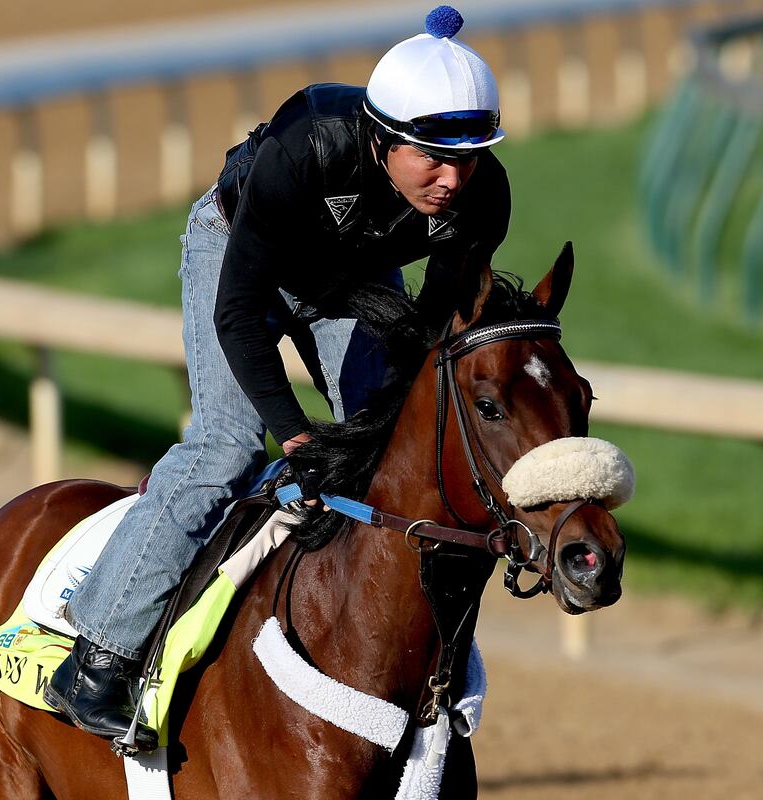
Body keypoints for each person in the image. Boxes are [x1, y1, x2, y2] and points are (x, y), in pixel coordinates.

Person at [44, 5, 511, 747]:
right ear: (383, 138)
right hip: (236, 253)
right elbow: (239, 314)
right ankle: (96, 654)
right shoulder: (309, 147)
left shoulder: (482, 197)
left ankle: (404, 659)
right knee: (229, 445)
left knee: (394, 448)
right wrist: (292, 434)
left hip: (348, 278)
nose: (453, 179)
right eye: (432, 157)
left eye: (470, 156)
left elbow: (426, 329)